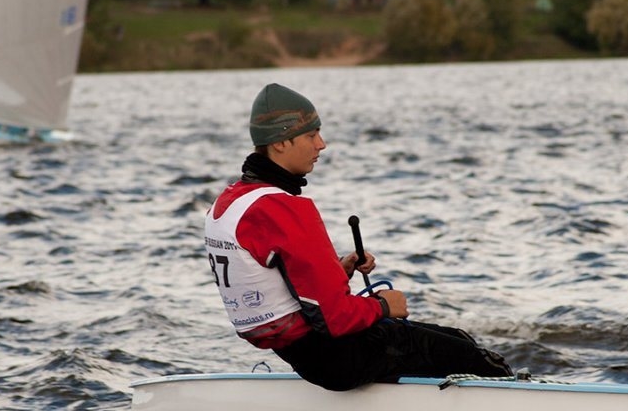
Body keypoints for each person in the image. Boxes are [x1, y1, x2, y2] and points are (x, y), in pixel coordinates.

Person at [204, 83, 511, 391]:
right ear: (281, 142)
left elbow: (275, 285)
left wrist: (338, 269)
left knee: (450, 339)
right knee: (469, 353)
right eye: (311, 135)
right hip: (337, 359)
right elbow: (335, 319)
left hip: (300, 353)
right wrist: (383, 305)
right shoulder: (283, 208)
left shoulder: (228, 202)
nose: (321, 144)